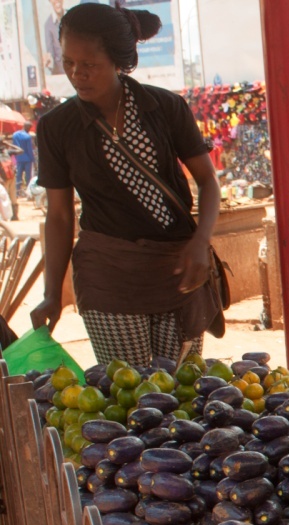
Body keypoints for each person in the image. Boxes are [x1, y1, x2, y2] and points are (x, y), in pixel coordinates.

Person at [30, 4, 221, 367]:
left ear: (117, 60)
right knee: (130, 391)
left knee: (181, 389)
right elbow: (59, 216)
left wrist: (201, 242)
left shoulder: (166, 108)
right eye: (69, 62)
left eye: (90, 64)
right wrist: (52, 294)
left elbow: (208, 181)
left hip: (177, 270)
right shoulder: (56, 127)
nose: (77, 74)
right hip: (107, 274)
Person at [11, 122, 34, 193]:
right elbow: (29, 149)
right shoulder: (28, 136)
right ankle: (28, 191)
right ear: (27, 127)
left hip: (18, 158)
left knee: (18, 175)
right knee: (28, 176)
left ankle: (17, 191)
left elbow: (14, 146)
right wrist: (33, 159)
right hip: (28, 159)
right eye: (29, 128)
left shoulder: (15, 135)